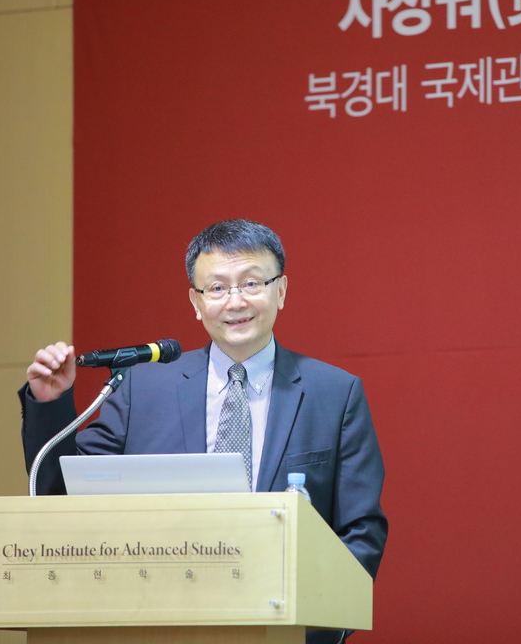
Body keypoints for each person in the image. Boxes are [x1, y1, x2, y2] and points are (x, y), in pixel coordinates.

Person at [20, 219, 387, 643]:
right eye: (216, 288)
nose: (235, 302)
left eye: (252, 283)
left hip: (287, 629)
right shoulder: (143, 389)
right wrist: (50, 405)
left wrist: (320, 624)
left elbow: (360, 530)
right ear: (196, 302)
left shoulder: (335, 393)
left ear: (281, 291)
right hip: (156, 625)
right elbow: (63, 495)